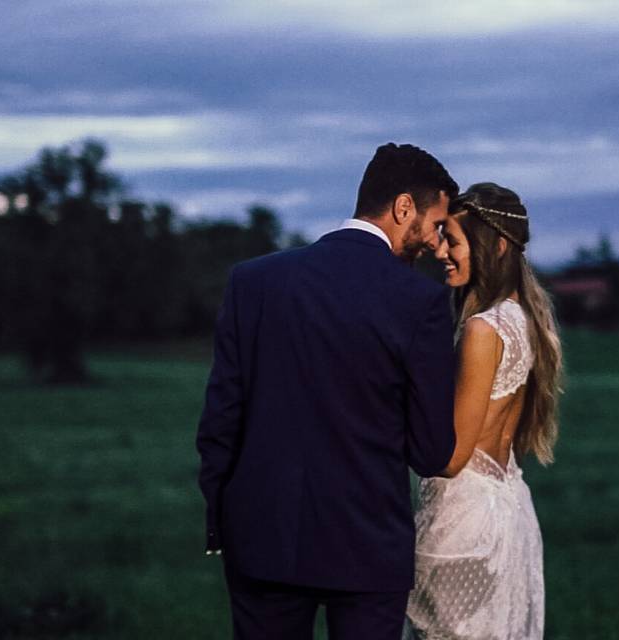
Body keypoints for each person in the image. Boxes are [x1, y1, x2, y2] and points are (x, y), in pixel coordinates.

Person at [196, 143, 459, 639]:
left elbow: (220, 419)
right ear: (404, 207)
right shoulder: (420, 302)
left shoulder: (253, 281)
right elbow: (430, 451)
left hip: (262, 540)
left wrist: (222, 521)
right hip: (367, 549)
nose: (436, 243)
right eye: (436, 224)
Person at [404, 183, 563, 640]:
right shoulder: (528, 318)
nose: (440, 251)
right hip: (509, 509)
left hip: (463, 517)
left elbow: (452, 456)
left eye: (452, 240)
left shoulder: (482, 329)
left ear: (495, 245)